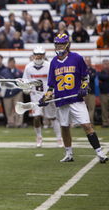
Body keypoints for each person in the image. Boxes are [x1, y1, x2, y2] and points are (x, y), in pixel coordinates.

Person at [39, 33, 108, 163]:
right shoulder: (53, 62)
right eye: (57, 44)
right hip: (61, 100)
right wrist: (46, 97)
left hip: (76, 99)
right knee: (64, 127)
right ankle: (69, 154)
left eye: (62, 44)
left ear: (68, 45)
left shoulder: (76, 58)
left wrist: (84, 87)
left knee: (86, 125)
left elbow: (85, 77)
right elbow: (51, 85)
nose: (59, 47)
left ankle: (100, 153)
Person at [22, 46, 63, 148]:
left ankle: (59, 138)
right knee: (36, 117)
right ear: (33, 55)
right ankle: (39, 137)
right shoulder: (28, 67)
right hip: (36, 96)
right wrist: (26, 89)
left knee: (53, 117)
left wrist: (52, 92)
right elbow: (25, 82)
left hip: (48, 94)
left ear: (44, 55)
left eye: (41, 55)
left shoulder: (49, 66)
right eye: (37, 55)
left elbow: (54, 81)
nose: (39, 57)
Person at [0, 57, 23, 128]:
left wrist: (22, 89)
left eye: (13, 62)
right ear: (8, 63)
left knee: (19, 107)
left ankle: (19, 123)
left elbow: (22, 81)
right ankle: (10, 123)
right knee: (8, 109)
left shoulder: (18, 72)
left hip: (17, 92)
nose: (11, 64)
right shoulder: (3, 72)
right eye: (10, 62)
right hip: (7, 92)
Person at [84, 57, 97, 127]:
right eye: (86, 60)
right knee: (80, 107)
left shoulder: (93, 70)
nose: (87, 62)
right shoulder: (81, 69)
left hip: (91, 91)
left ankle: (90, 122)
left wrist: (86, 76)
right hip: (83, 91)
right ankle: (80, 123)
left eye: (89, 61)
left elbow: (92, 77)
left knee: (91, 108)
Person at [98, 59, 109, 128]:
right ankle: (105, 122)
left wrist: (105, 78)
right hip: (103, 92)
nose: (106, 65)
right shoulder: (100, 71)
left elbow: (103, 78)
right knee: (104, 108)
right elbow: (101, 77)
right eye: (105, 64)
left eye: (107, 63)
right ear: (102, 65)